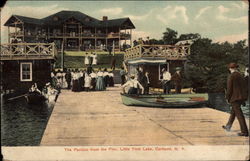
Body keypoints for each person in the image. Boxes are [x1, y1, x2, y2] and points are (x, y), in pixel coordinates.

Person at [222, 63, 248, 137]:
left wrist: (227, 97)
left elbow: (229, 89)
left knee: (239, 115)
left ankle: (244, 132)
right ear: (236, 68)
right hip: (240, 98)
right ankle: (228, 126)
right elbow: (244, 87)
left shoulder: (232, 76)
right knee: (233, 112)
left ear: (230, 68)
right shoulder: (240, 75)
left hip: (235, 98)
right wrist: (244, 98)